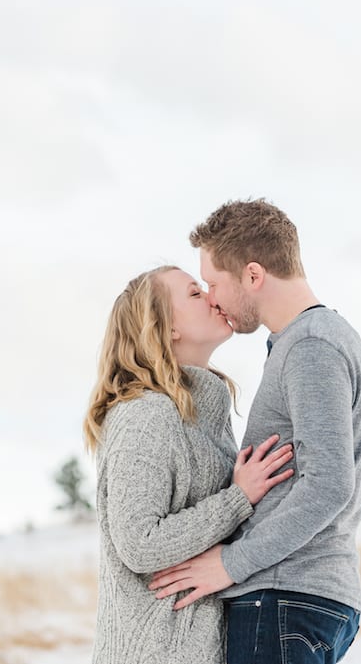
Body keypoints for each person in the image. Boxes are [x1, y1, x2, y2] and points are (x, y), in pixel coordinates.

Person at [148, 199, 361, 664]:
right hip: (295, 598)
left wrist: (231, 564)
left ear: (253, 276)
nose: (211, 298)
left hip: (284, 596)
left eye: (213, 283)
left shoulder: (311, 346)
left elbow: (331, 484)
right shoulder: (308, 342)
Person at [85, 265, 295, 664]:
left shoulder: (203, 416)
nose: (212, 297)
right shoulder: (145, 414)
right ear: (167, 329)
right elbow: (139, 543)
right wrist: (238, 498)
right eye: (195, 294)